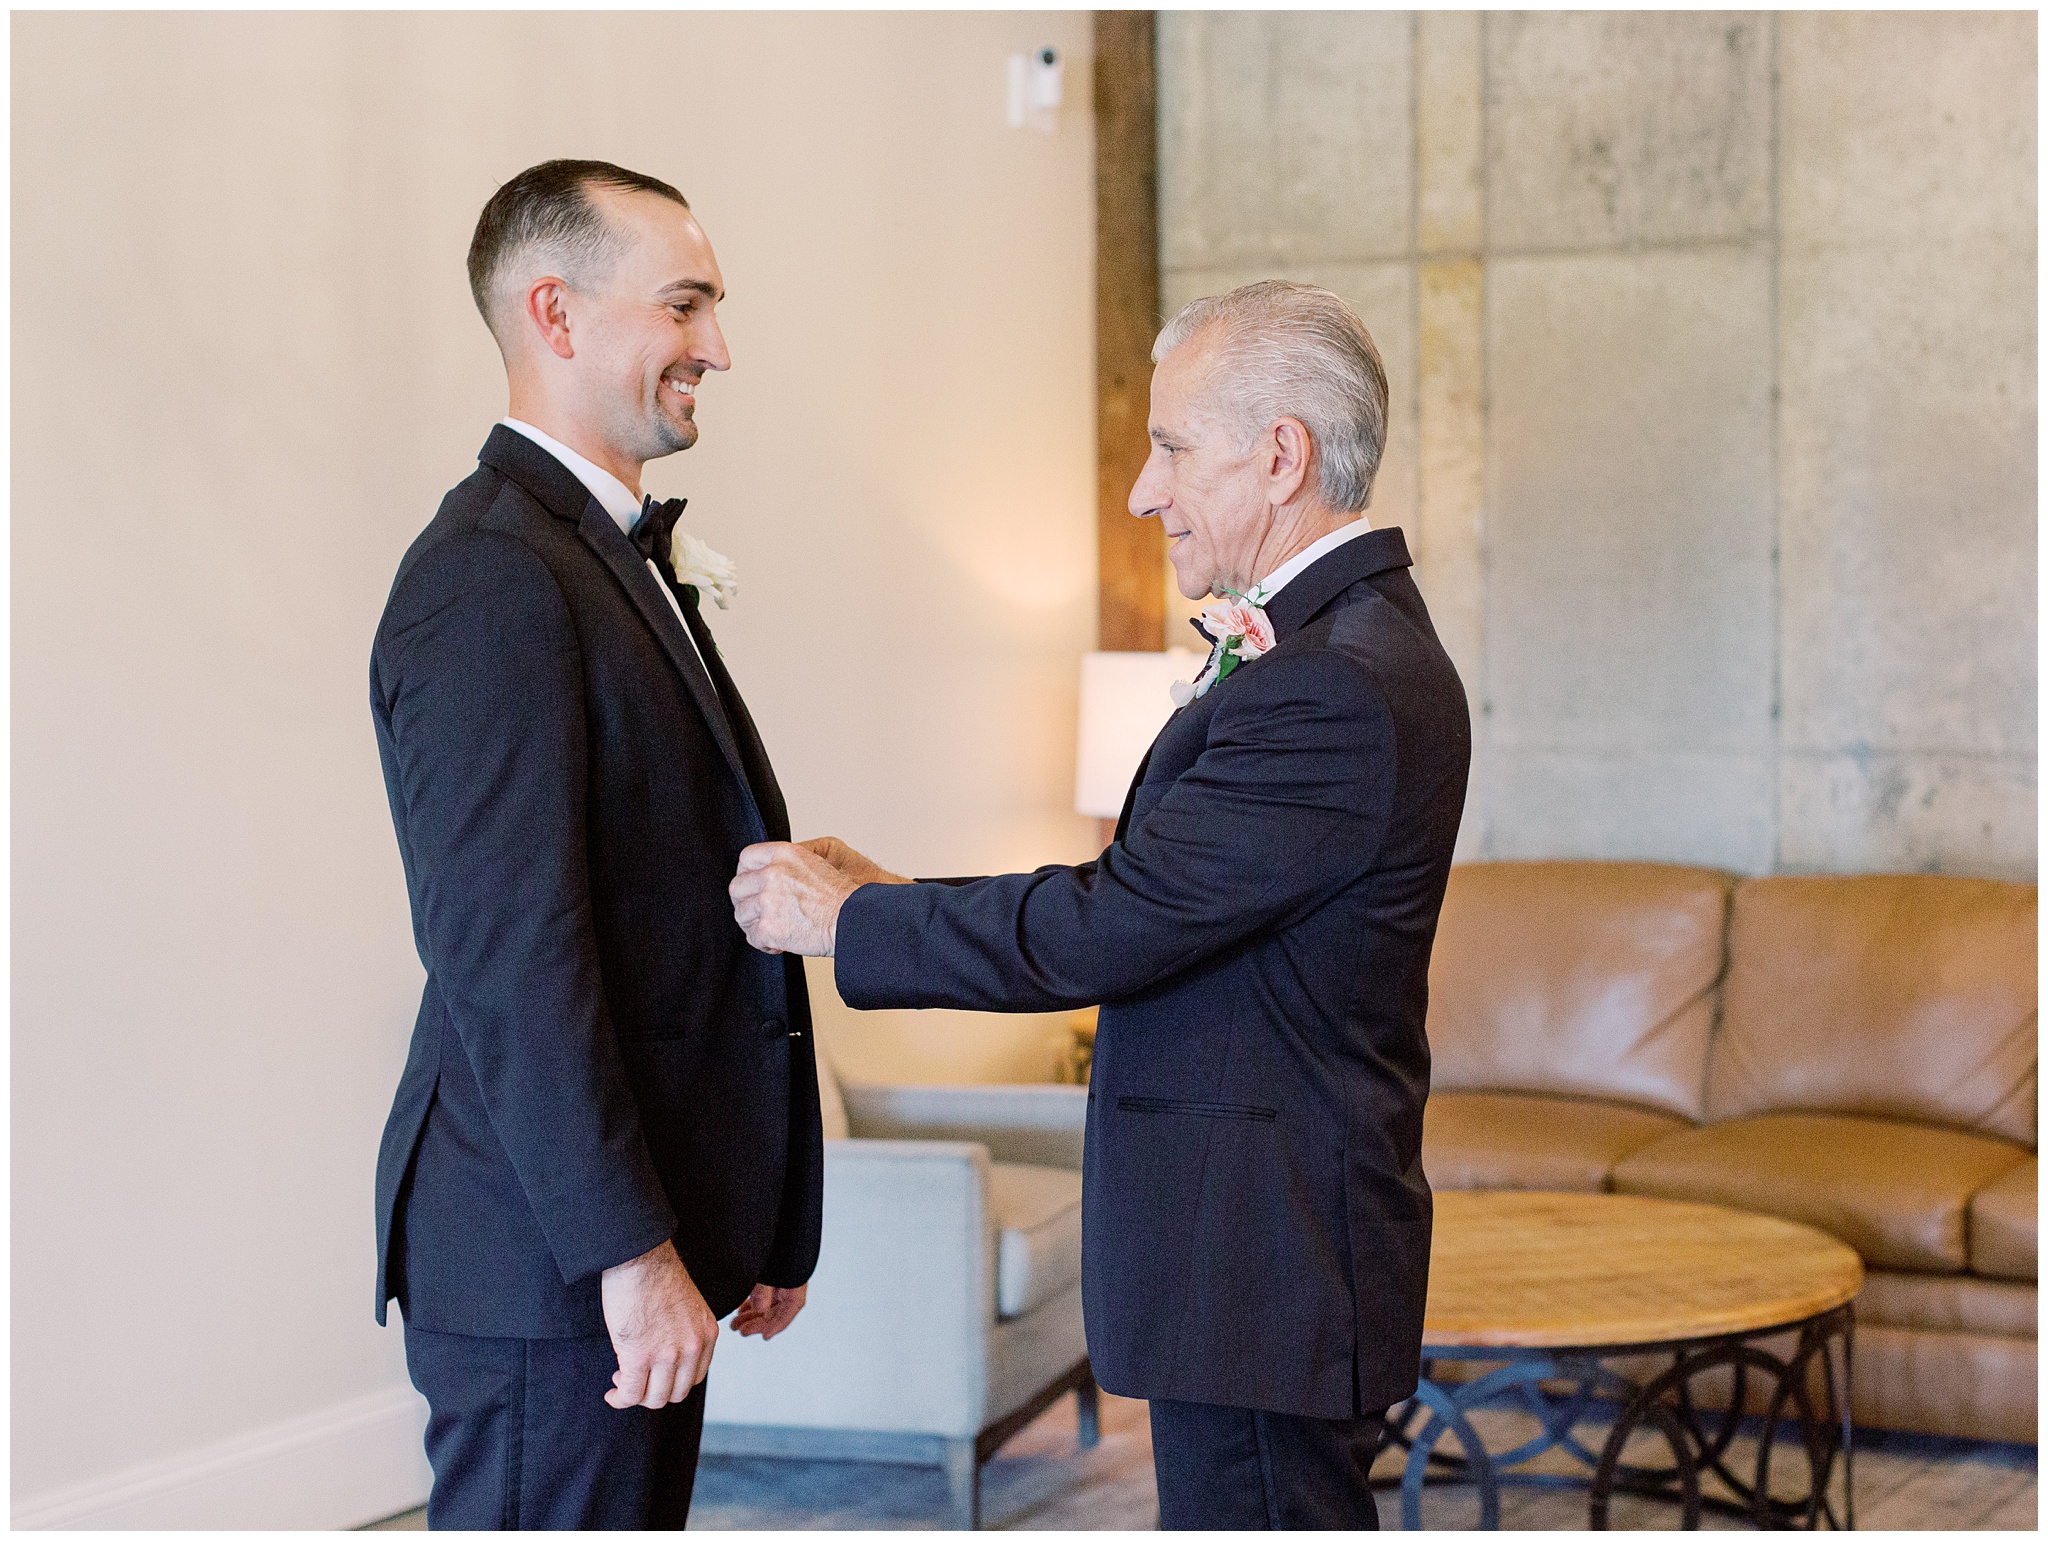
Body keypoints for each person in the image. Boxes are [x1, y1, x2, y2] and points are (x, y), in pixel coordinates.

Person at [730, 281, 1470, 1530]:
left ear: (1279, 454)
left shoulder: (1329, 685)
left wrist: (845, 923)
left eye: (1172, 444)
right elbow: (1163, 897)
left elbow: (1115, 920)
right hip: (1263, 1248)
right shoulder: (1340, 647)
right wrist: (889, 893)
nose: (1144, 487)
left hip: (1260, 1252)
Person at [369, 160, 823, 1530]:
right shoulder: (489, 577)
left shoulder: (599, 559)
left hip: (643, 1239)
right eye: (685, 305)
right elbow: (512, 958)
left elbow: (671, 921)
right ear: (555, 313)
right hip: (547, 1261)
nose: (718, 350)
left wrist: (756, 1213)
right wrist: (628, 1253)